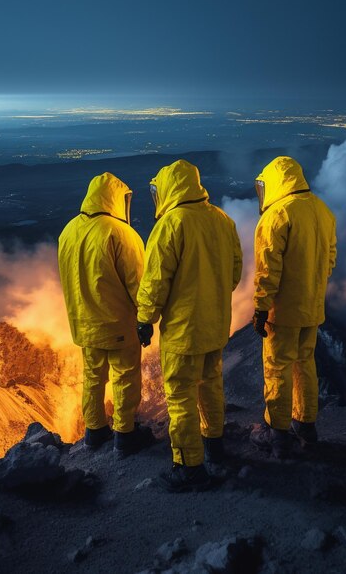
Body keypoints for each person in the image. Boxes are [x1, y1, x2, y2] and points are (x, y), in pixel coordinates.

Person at [136, 159, 243, 492]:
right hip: (215, 325)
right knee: (211, 385)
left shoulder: (171, 224)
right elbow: (235, 272)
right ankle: (215, 446)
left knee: (180, 396)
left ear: (168, 188)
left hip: (183, 330)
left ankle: (189, 467)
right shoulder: (223, 220)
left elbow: (156, 280)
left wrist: (145, 318)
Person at [57, 172, 154, 457]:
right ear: (117, 199)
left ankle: (95, 430)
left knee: (93, 377)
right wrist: (145, 319)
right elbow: (139, 282)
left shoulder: (68, 230)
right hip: (117, 323)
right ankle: (125, 434)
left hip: (83, 323)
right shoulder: (120, 233)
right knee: (125, 376)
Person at [250, 156, 337, 459]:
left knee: (278, 370)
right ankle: (307, 426)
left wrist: (261, 308)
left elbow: (267, 270)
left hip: (283, 312)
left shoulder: (277, 215)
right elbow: (330, 259)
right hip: (312, 309)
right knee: (306, 366)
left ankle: (277, 434)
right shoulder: (322, 210)